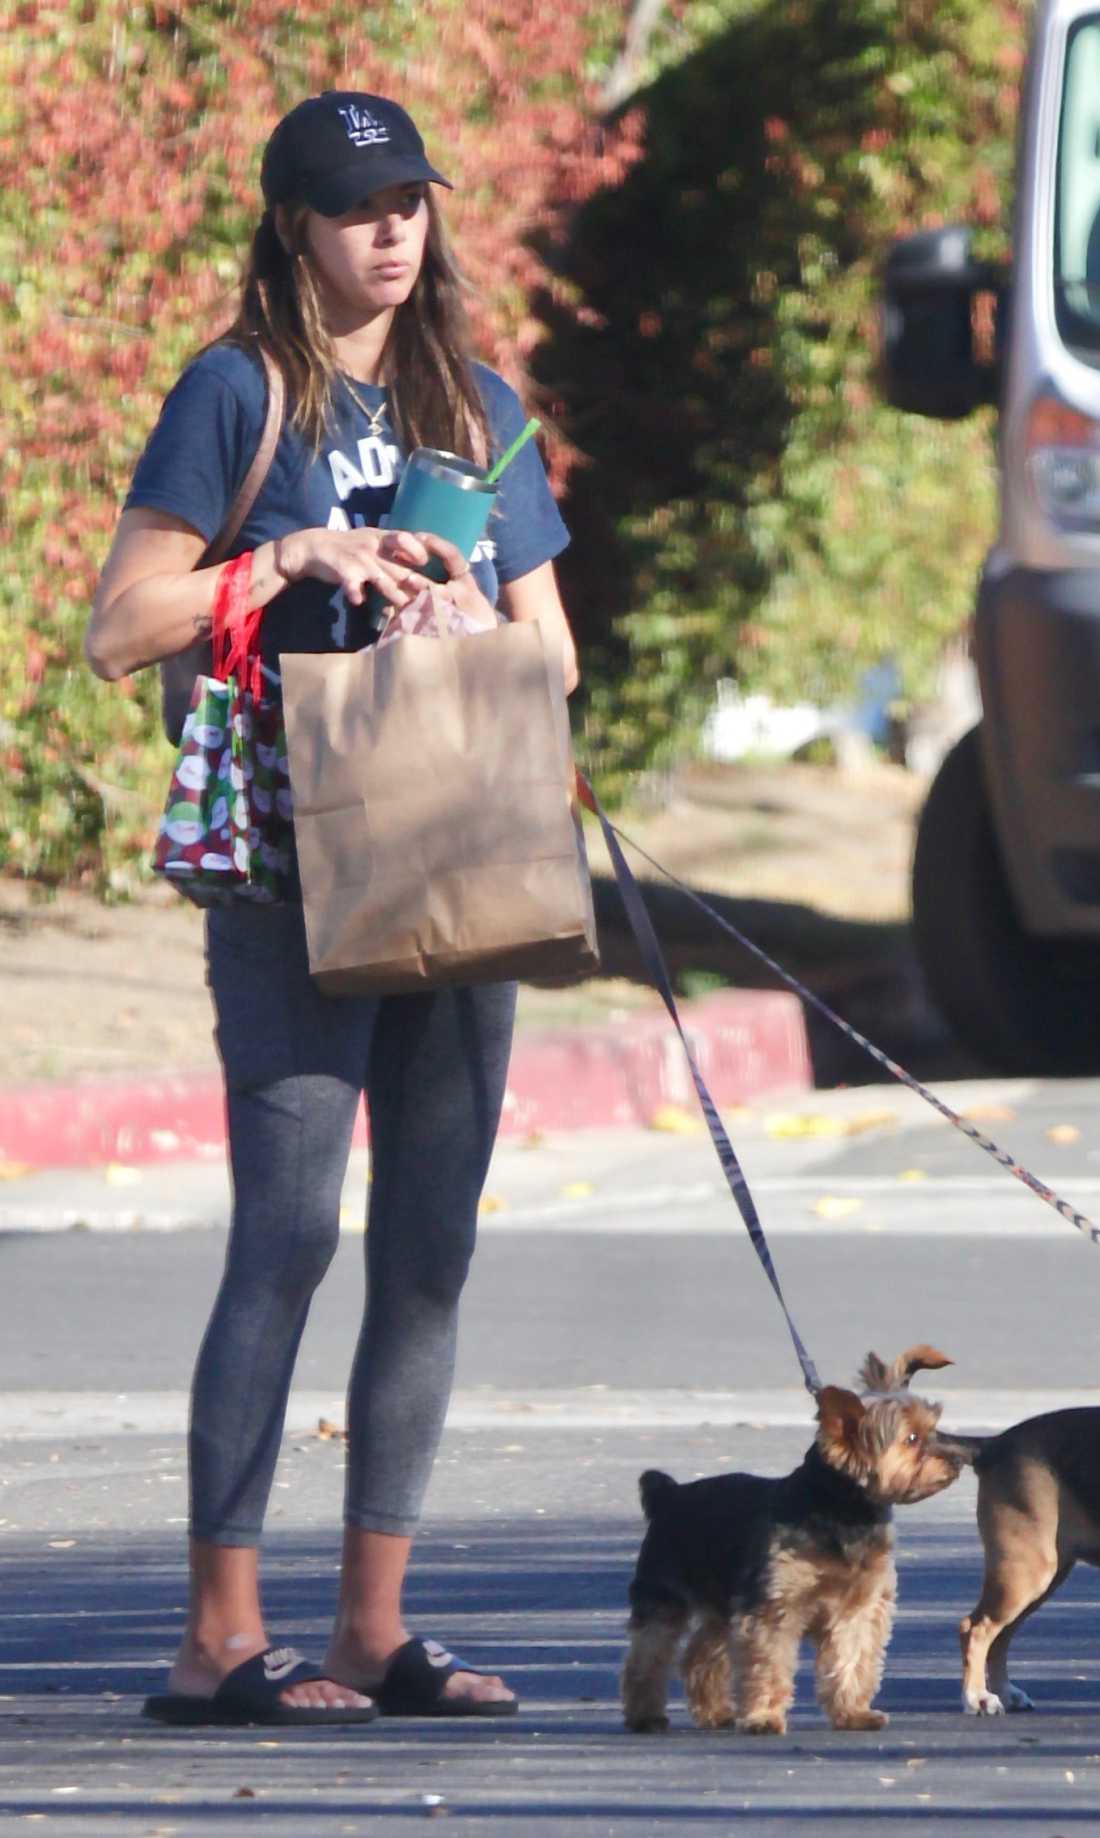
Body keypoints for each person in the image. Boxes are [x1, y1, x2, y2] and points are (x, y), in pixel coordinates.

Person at [86, 90, 578, 1727]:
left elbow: (555, 650)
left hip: (453, 849)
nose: (391, 230)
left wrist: (446, 596)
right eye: (357, 205)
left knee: (427, 1251)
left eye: (412, 203)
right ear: (290, 226)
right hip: (295, 867)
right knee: (290, 1235)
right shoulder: (239, 393)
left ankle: (375, 1626)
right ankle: (217, 1638)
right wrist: (293, 557)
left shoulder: (477, 405)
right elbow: (120, 624)